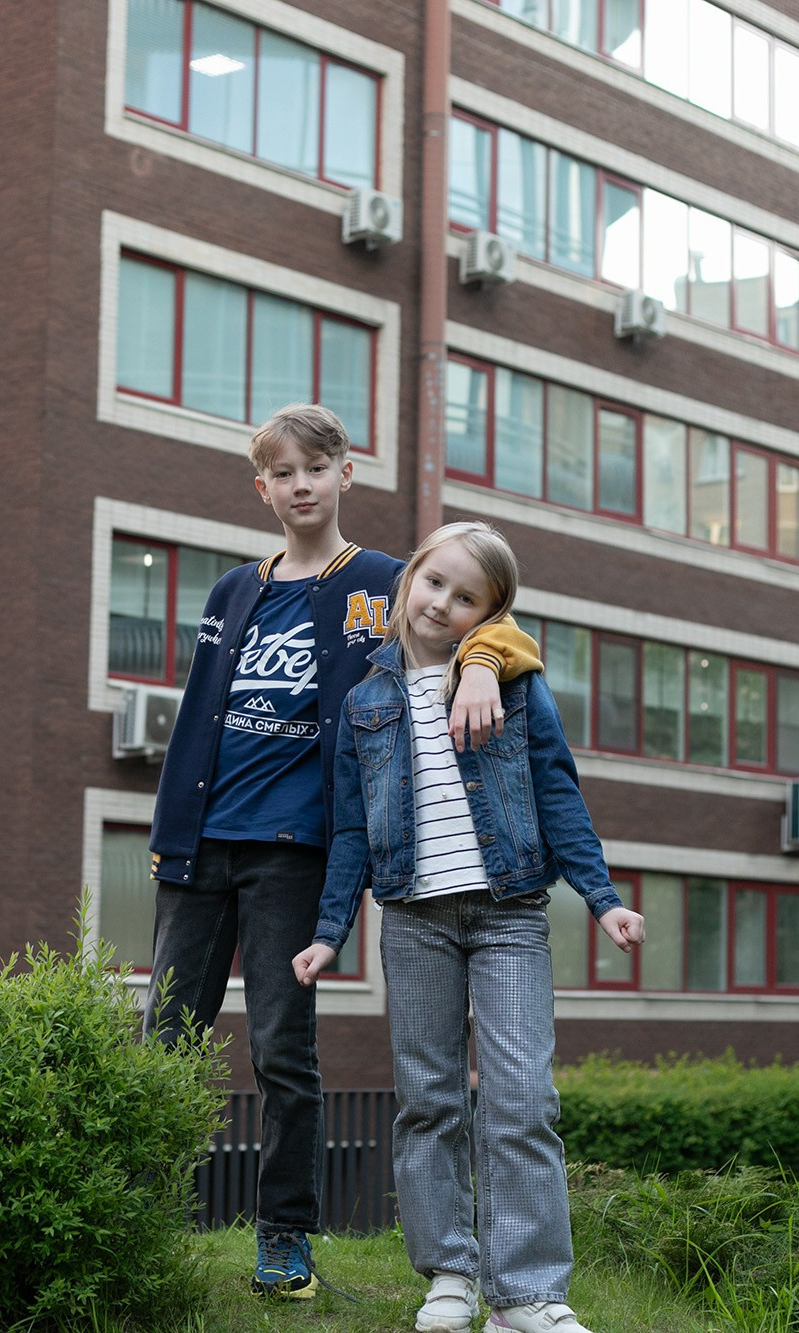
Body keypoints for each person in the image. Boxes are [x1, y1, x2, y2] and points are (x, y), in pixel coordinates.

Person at [145, 405, 540, 1300]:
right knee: (164, 1040)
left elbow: (490, 615)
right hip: (198, 845)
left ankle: (284, 1236)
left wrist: (480, 664)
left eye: (314, 468)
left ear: (344, 474)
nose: (299, 485)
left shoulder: (388, 583)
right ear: (263, 488)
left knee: (283, 1051)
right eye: (281, 473)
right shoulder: (231, 592)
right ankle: (134, 1215)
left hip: (296, 849)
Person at [293, 521, 645, 1333]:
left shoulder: (509, 681)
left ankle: (526, 1296)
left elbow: (558, 790)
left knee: (522, 1098)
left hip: (509, 913)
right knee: (428, 1098)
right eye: (434, 582)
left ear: (490, 614)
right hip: (412, 917)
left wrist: (603, 897)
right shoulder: (363, 701)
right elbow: (350, 830)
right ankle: (450, 1273)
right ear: (409, 577)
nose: (442, 603)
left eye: (467, 598)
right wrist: (328, 930)